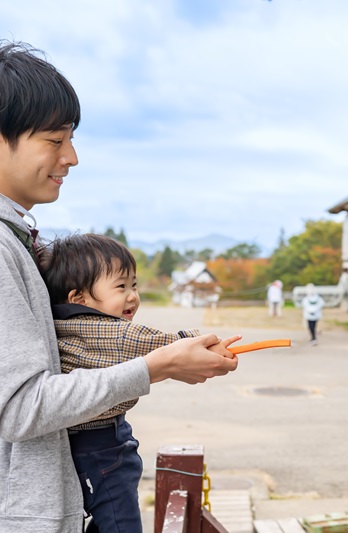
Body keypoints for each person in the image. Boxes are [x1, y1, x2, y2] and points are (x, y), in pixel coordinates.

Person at [0, 41, 238, 532]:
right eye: (54, 139)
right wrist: (159, 364)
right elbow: (21, 408)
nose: (72, 157)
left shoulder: (17, 239)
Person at [39, 233, 241, 533]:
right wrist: (206, 345)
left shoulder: (57, 326)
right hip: (103, 445)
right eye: (121, 286)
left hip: (77, 442)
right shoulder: (111, 332)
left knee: (104, 515)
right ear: (79, 298)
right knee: (122, 521)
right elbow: (155, 344)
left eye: (134, 285)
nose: (132, 295)